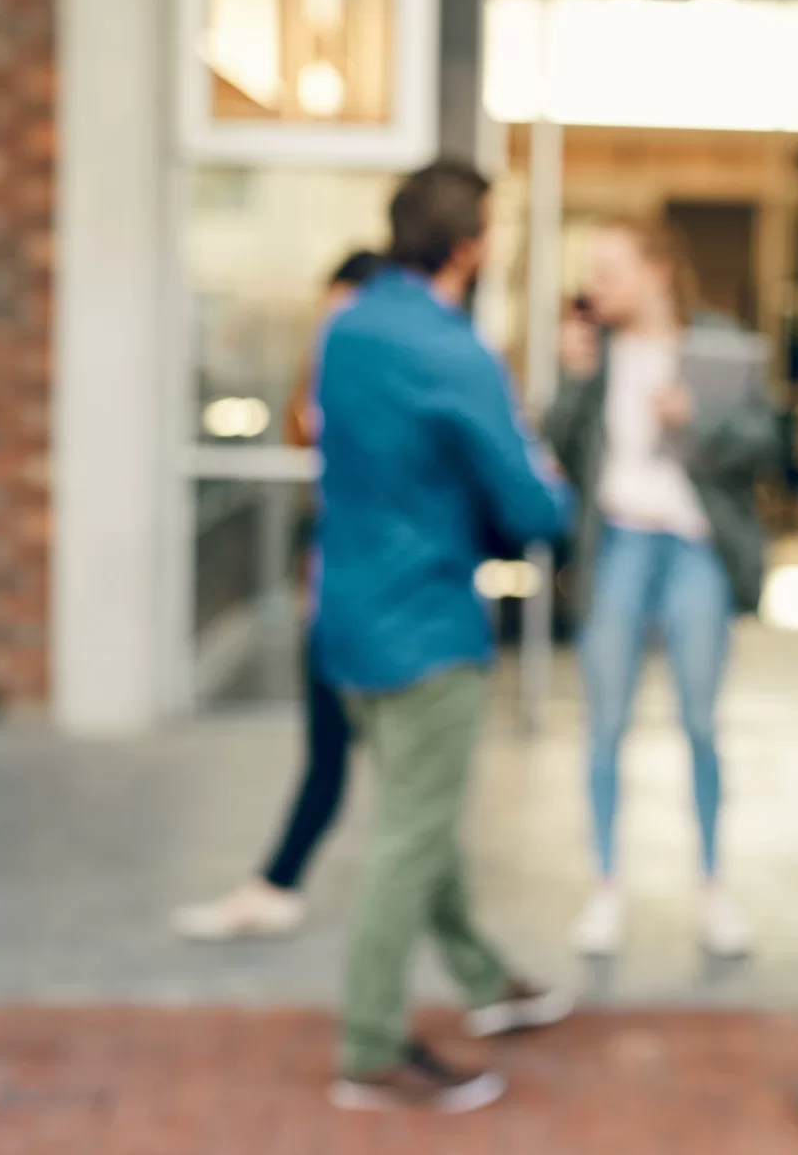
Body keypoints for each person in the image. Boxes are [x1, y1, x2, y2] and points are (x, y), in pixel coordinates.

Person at [318, 162, 575, 1114]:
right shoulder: (450, 349)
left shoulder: (345, 327)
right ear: (470, 244)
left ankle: (482, 979)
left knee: (414, 818)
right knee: (409, 836)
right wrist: (551, 478)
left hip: (345, 617)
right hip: (423, 620)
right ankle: (370, 1046)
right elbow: (530, 504)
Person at [544, 218, 781, 959]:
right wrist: (574, 378)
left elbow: (769, 443)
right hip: (617, 542)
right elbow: (553, 445)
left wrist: (697, 421)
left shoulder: (715, 344)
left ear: (656, 272)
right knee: (604, 722)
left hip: (692, 548)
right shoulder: (593, 349)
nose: (594, 287)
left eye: (610, 270)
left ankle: (713, 888)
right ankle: (606, 888)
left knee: (701, 723)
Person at [173, 249, 386, 943]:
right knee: (337, 755)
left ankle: (276, 884)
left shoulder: (377, 388)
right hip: (335, 594)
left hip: (371, 603)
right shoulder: (323, 378)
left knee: (387, 776)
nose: (331, 326)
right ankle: (276, 884)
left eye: (341, 309)